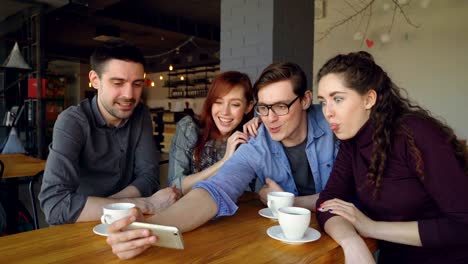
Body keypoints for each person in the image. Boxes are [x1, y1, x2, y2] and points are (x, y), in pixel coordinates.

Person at [106, 62, 338, 259]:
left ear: (306, 100)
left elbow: (355, 195)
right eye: (264, 108)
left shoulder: (335, 126)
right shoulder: (257, 141)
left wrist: (293, 203)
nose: (270, 118)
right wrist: (148, 228)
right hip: (289, 248)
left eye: (280, 106)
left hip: (341, 234)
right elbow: (214, 191)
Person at [315, 51, 468, 264]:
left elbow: (463, 224)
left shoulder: (416, 134)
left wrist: (372, 228)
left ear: (369, 99)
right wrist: (352, 243)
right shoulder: (352, 142)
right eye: (323, 102)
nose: (327, 112)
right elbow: (327, 201)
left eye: (338, 99)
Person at [39, 40, 180, 225]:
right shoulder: (73, 121)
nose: (129, 94)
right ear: (95, 80)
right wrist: (145, 204)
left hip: (125, 221)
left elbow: (149, 177)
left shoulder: (140, 113)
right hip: (80, 225)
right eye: (118, 83)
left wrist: (116, 206)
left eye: (137, 84)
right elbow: (56, 207)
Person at [168, 71, 254, 194]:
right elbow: (176, 186)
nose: (225, 112)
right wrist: (224, 161)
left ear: (248, 107)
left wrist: (263, 126)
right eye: (218, 102)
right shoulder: (189, 127)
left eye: (235, 104)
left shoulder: (250, 137)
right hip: (190, 210)